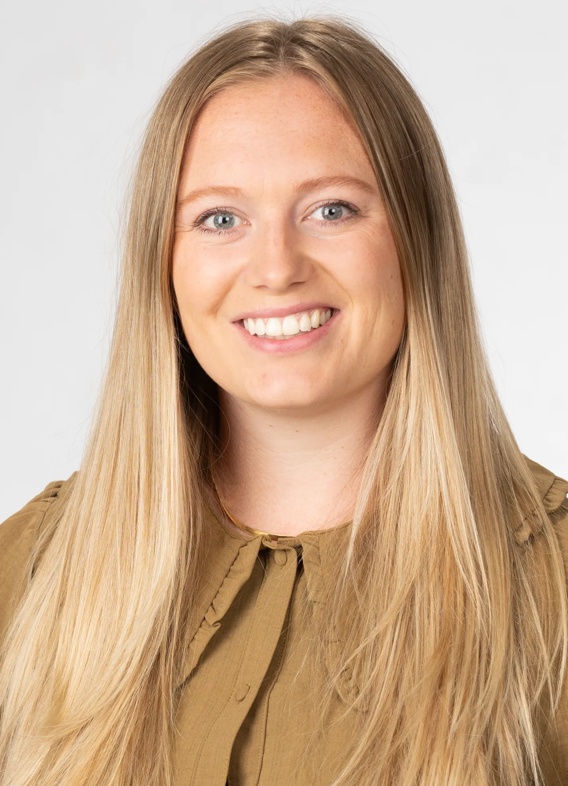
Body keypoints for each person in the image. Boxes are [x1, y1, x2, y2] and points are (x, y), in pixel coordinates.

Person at [0, 15, 567, 786]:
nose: (275, 268)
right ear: (163, 263)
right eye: (220, 218)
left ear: (415, 238)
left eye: (331, 209)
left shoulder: (553, 582)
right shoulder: (32, 571)